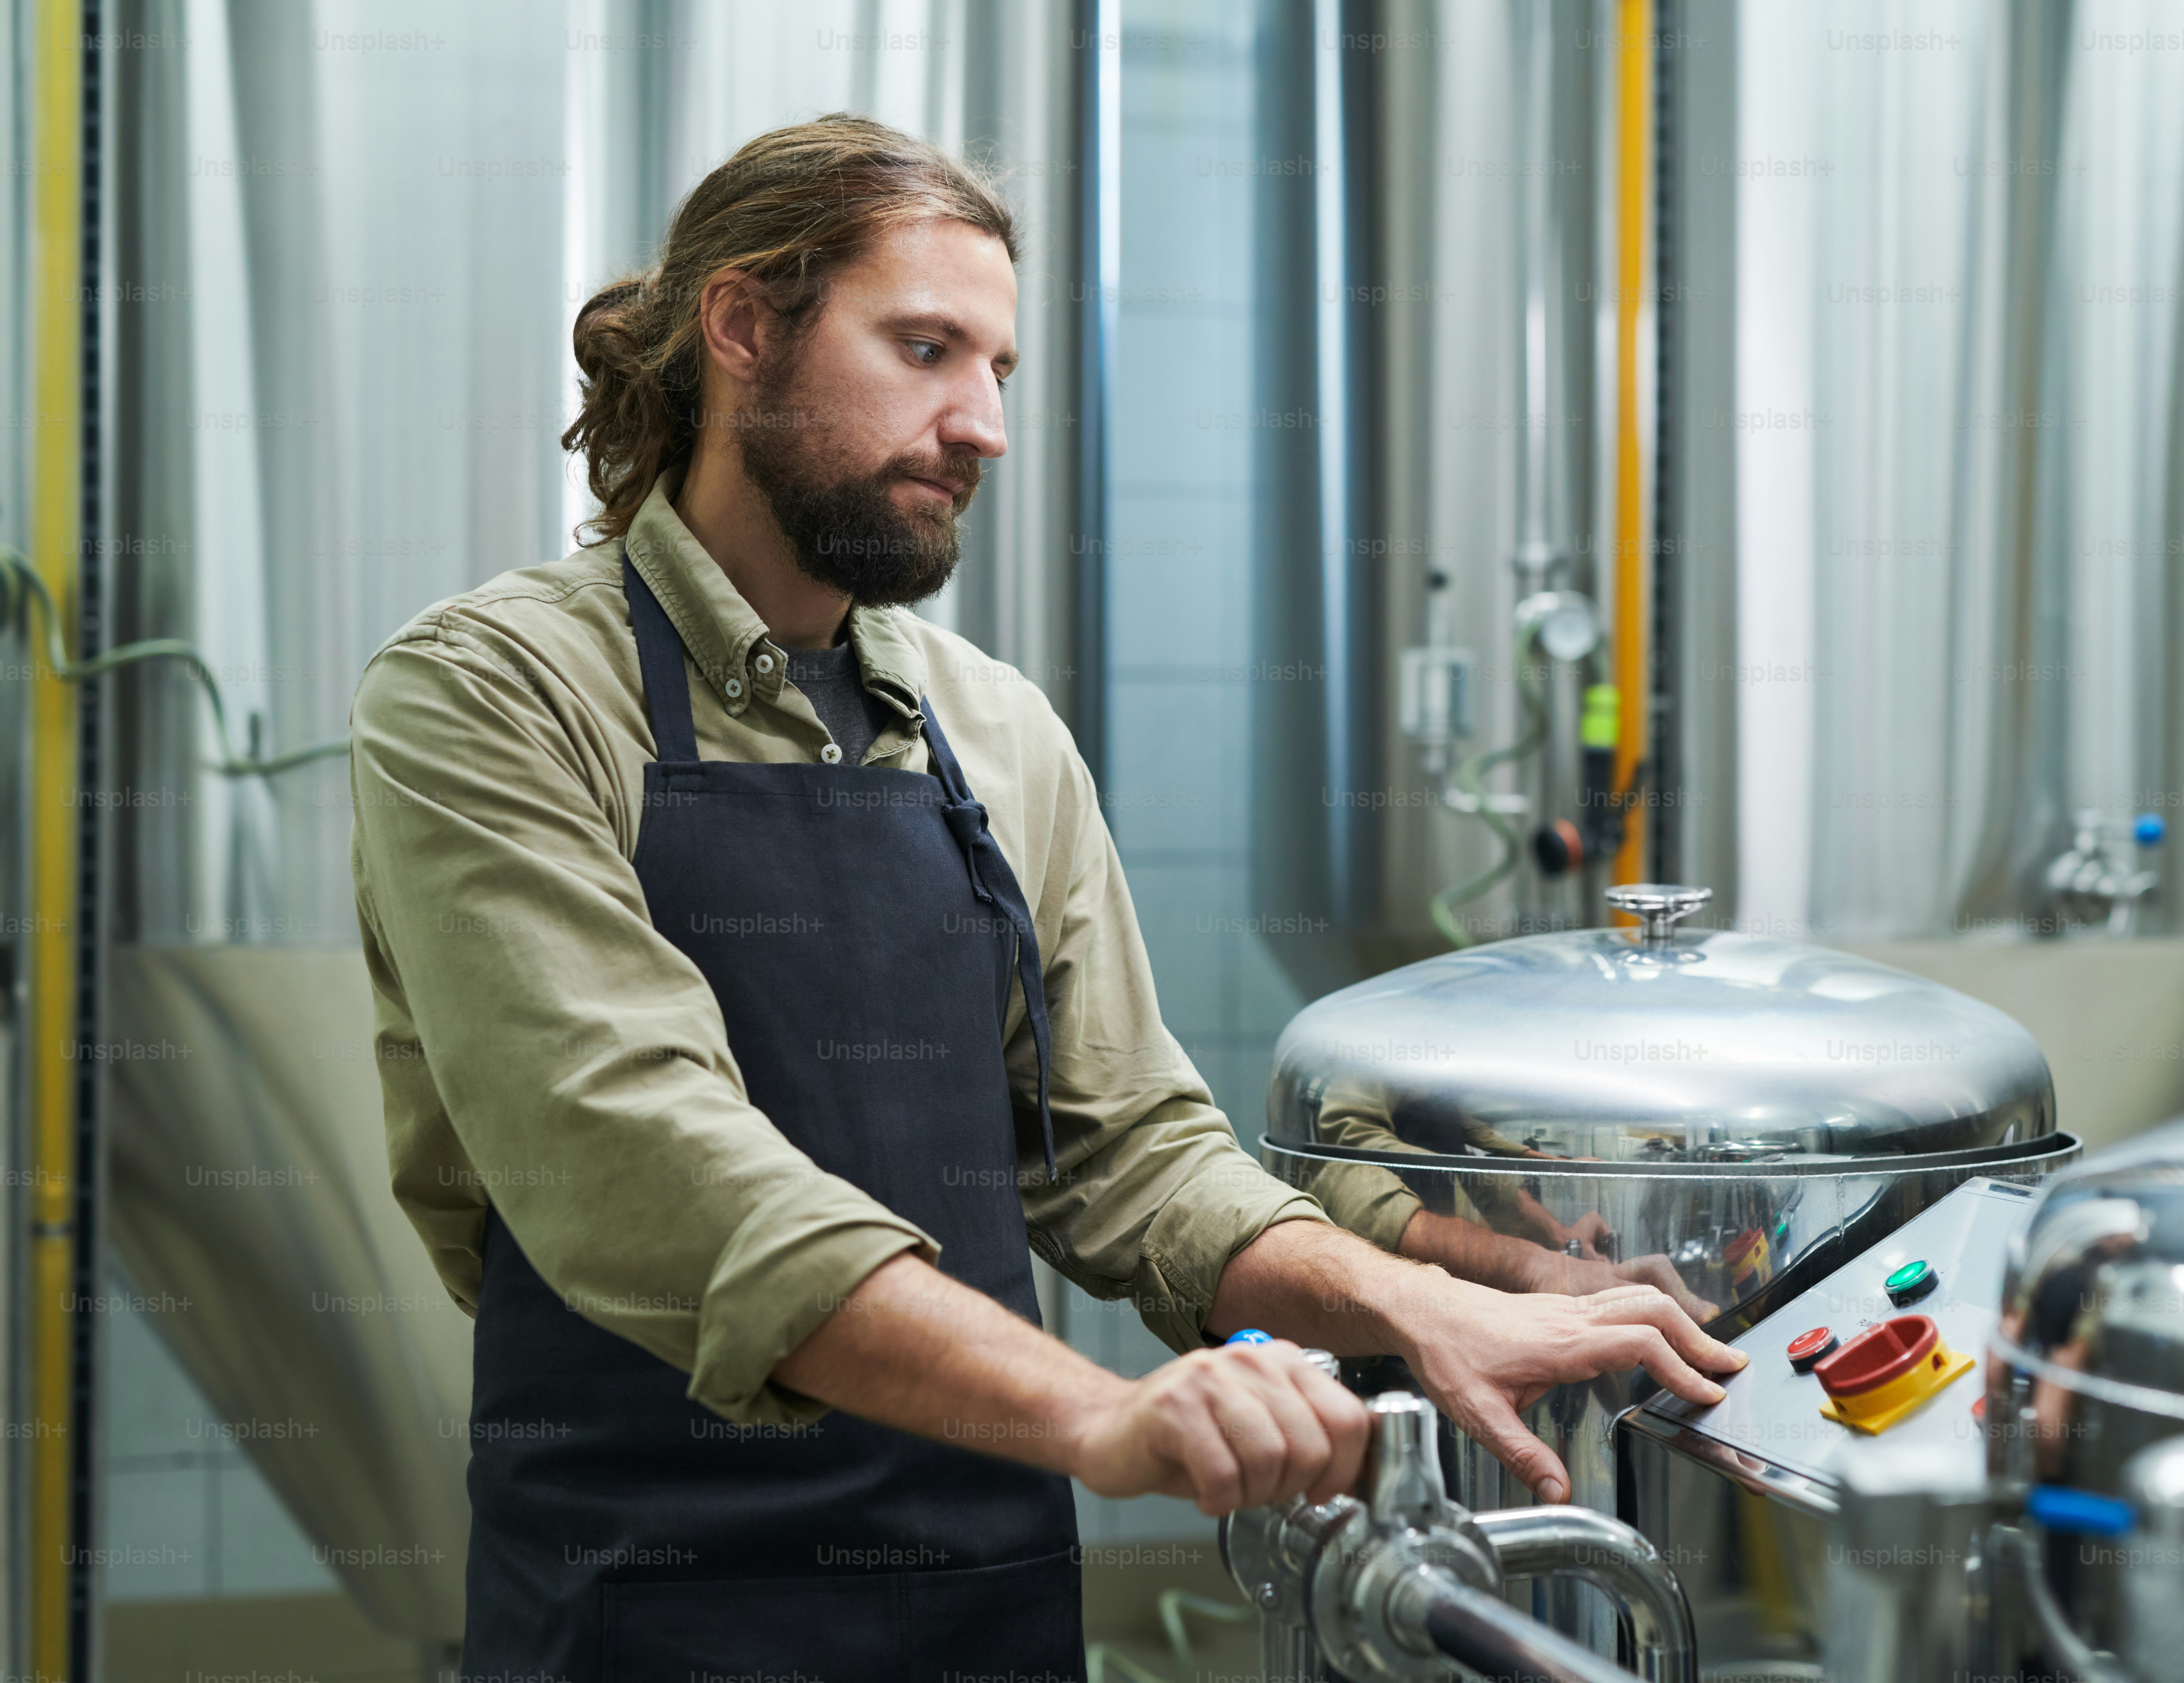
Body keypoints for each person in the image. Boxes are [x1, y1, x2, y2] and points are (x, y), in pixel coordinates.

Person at [349, 113, 1742, 1683]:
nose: (983, 423)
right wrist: (1101, 1412)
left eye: (999, 369)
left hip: (982, 1593)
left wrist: (1422, 1297)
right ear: (742, 328)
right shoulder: (491, 693)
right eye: (927, 347)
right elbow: (647, 1162)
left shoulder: (993, 729)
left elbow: (1135, 1159)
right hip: (652, 1599)